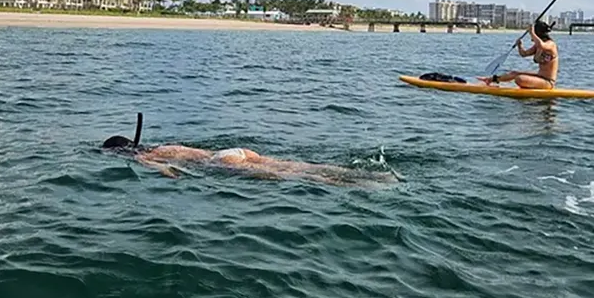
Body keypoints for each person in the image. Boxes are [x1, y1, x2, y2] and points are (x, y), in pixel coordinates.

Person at [101, 115, 403, 187]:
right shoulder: (162, 145)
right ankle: (358, 173)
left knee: (286, 176)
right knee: (295, 165)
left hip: (222, 161)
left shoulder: (143, 156)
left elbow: (169, 172)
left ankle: (353, 184)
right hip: (234, 150)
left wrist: (174, 179)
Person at [477, 20, 559, 89]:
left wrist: (532, 32)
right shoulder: (537, 46)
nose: (531, 37)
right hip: (540, 77)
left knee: (519, 79)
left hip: (548, 82)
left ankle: (530, 86)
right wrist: (520, 46)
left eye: (533, 34)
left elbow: (541, 45)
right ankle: (490, 80)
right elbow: (524, 54)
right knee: (514, 73)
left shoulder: (551, 44)